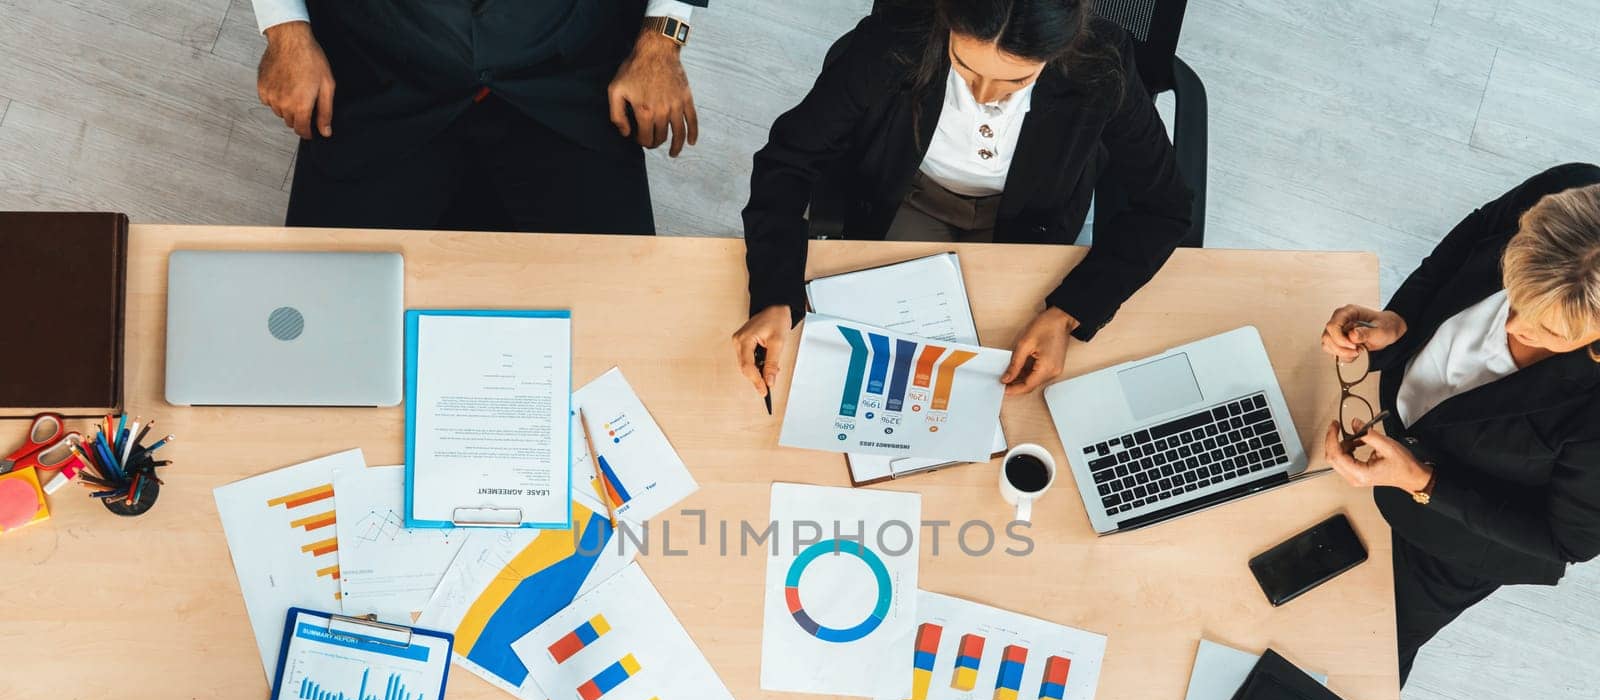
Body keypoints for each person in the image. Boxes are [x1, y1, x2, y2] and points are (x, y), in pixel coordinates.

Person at [733, 0, 1193, 400]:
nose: (983, 96)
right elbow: (788, 161)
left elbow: (1166, 207)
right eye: (965, 66)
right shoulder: (891, 41)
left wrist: (1070, 314)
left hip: (1030, 221)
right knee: (893, 367)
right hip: (909, 198)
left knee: (1001, 377)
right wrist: (774, 294)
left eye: (1015, 80)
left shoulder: (1102, 68)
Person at [1318, 163, 1600, 684]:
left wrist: (1423, 482)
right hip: (1379, 425)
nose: (1512, 325)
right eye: (1514, 294)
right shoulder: (1569, 190)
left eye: (1548, 332)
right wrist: (1401, 321)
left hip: (1448, 542)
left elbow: (1566, 541)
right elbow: (1467, 237)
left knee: (1361, 664)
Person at [251, 1, 710, 233]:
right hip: (380, 79)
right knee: (327, 326)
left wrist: (662, 38)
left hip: (570, 82)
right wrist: (285, 30)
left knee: (615, 328)